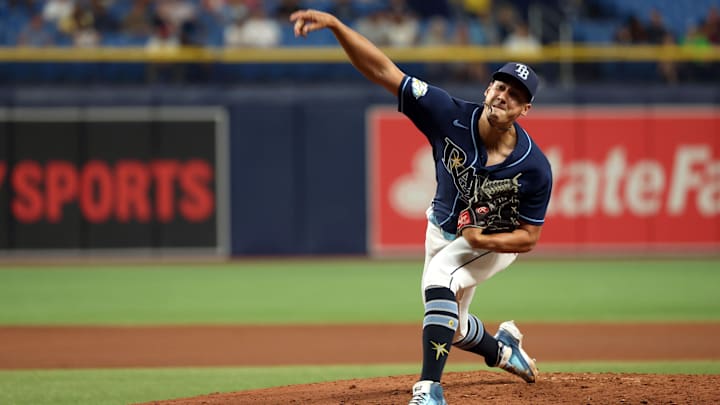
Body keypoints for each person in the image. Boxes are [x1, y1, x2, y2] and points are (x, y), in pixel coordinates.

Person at [290, 9, 552, 405]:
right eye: (500, 86)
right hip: (442, 228)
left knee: (441, 278)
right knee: (454, 325)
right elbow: (383, 71)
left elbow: (529, 238)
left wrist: (484, 238)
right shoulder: (447, 114)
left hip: (493, 239)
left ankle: (429, 391)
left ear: (524, 110)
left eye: (515, 95)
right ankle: (503, 351)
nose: (504, 96)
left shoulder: (534, 167)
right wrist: (337, 27)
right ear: (487, 90)